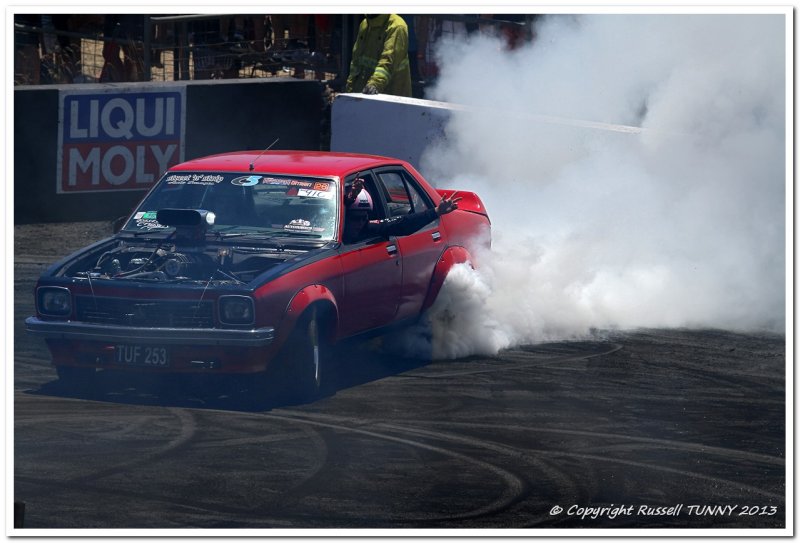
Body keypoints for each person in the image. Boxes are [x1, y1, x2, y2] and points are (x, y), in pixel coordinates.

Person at [342, 178, 460, 243]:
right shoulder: (331, 229)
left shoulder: (368, 228)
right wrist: (351, 197)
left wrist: (436, 211)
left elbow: (403, 223)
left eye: (365, 217)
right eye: (356, 218)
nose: (361, 222)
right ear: (345, 217)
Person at [345, 14, 411, 97]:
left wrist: (374, 84)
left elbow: (388, 61)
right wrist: (350, 90)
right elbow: (356, 63)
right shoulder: (365, 24)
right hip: (364, 96)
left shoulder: (397, 26)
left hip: (392, 98)